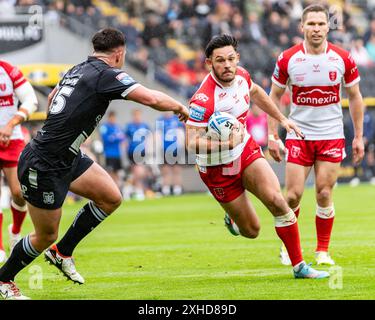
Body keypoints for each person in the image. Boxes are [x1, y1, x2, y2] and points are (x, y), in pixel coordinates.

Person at [0, 28, 189, 300]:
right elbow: (150, 97)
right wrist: (180, 107)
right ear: (120, 53)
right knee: (45, 234)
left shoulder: (78, 68)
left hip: (67, 155)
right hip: (45, 163)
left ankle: (62, 252)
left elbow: (53, 97)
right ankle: (4, 279)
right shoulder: (106, 74)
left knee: (111, 197)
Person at [186, 34, 329, 280]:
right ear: (209, 63)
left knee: (277, 201)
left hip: (245, 151)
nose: (227, 65)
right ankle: (233, 218)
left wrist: (282, 118)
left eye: (231, 59)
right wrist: (225, 141)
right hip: (217, 169)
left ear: (237, 58)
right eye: (220, 61)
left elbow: (257, 92)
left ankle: (299, 267)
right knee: (252, 231)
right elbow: (191, 143)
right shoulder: (203, 99)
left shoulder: (241, 75)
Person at [268, 4, 365, 266]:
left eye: (321, 24)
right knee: (292, 196)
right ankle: (289, 247)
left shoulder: (342, 58)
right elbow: (273, 97)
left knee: (324, 192)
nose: (316, 29)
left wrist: (358, 136)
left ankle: (322, 251)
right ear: (302, 27)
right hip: (299, 134)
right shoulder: (288, 58)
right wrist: (273, 135)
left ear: (328, 26)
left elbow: (356, 97)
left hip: (331, 134)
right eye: (311, 24)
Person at [0, 60, 38, 264]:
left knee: (19, 193)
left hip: (12, 139)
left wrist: (10, 124)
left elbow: (31, 101)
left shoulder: (8, 70)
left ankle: (14, 230)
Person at [124, 109, 151, 200]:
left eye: (138, 115)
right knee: (138, 172)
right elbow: (125, 140)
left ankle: (131, 189)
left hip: (142, 152)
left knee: (141, 173)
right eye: (135, 115)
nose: (137, 117)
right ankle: (138, 190)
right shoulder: (129, 126)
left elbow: (149, 138)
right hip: (132, 152)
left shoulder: (144, 125)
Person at [156, 111, 185, 196]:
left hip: (176, 149)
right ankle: (166, 190)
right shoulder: (160, 120)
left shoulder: (177, 120)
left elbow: (181, 134)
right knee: (166, 171)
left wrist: (183, 146)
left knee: (177, 170)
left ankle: (177, 190)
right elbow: (157, 135)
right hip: (165, 149)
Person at [99, 110, 125, 189]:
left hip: (117, 154)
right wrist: (115, 137)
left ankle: (117, 189)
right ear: (109, 118)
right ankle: (110, 189)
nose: (113, 119)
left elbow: (122, 138)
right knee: (110, 173)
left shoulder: (117, 127)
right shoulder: (104, 127)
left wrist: (114, 137)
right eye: (112, 118)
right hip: (109, 154)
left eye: (114, 118)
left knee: (117, 172)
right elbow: (106, 139)